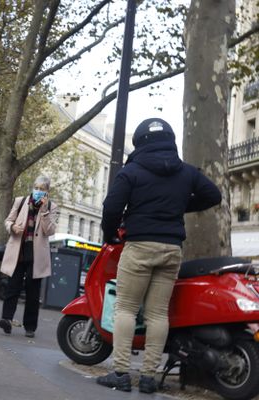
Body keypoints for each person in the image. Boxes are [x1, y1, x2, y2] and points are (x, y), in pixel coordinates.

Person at [96, 118, 221, 394]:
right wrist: (180, 205)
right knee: (157, 314)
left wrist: (110, 235)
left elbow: (111, 207)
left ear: (140, 142)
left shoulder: (132, 172)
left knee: (126, 308)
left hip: (139, 245)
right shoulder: (186, 172)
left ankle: (120, 372)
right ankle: (150, 376)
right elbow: (213, 195)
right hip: (171, 248)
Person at [0, 175, 58, 338]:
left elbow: (50, 231)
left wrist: (44, 211)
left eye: (42, 189)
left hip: (37, 255)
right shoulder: (21, 201)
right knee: (12, 287)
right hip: (19, 251)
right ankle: (6, 319)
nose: (38, 191)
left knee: (33, 293)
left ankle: (30, 327)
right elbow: (8, 220)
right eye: (36, 188)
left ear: (47, 191)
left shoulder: (52, 206)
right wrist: (12, 227)